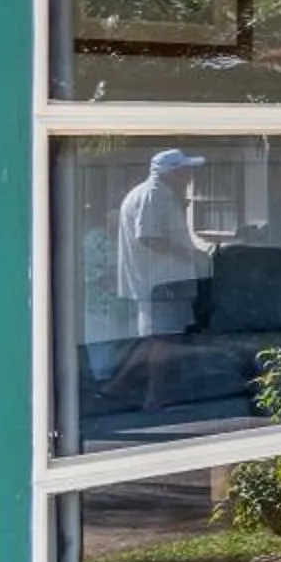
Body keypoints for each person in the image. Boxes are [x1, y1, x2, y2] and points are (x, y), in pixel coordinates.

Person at [113, 147, 212, 409]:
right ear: (173, 172)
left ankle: (117, 385)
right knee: (165, 339)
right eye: (185, 170)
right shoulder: (154, 195)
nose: (190, 175)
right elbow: (148, 236)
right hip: (161, 281)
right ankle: (155, 397)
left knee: (156, 338)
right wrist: (188, 255)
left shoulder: (159, 194)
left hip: (162, 279)